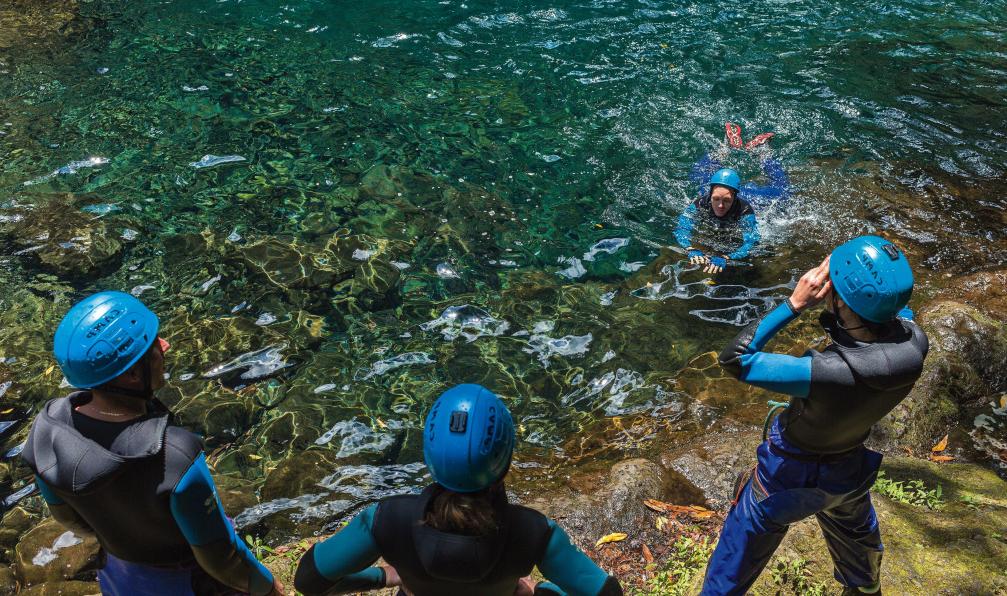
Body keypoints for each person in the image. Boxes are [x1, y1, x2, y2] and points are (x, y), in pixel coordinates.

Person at [699, 236, 929, 595]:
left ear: (842, 298)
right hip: (849, 471)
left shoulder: (828, 373)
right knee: (861, 559)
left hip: (786, 478)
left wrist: (795, 303)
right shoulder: (915, 343)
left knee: (730, 569)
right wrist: (849, 294)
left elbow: (736, 359)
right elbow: (892, 314)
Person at [21, 291, 282, 596]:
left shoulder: (45, 433)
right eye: (155, 345)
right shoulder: (175, 456)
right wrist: (268, 587)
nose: (165, 346)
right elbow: (220, 560)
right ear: (132, 374)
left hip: (121, 578)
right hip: (191, 584)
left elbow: (69, 519)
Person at [294, 384, 623, 596]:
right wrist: (540, 591)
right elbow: (605, 594)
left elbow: (309, 580)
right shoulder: (534, 533)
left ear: (428, 455)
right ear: (505, 461)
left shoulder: (385, 519)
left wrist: (384, 577)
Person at [675, 123, 790, 274]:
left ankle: (763, 151)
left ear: (734, 198)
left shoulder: (745, 210)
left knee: (783, 190)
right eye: (716, 199)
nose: (720, 206)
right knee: (699, 173)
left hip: (754, 196)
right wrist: (690, 248)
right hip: (719, 189)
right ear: (710, 194)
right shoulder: (701, 202)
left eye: (726, 200)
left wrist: (727, 257)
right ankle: (726, 147)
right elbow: (682, 228)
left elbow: (751, 241)